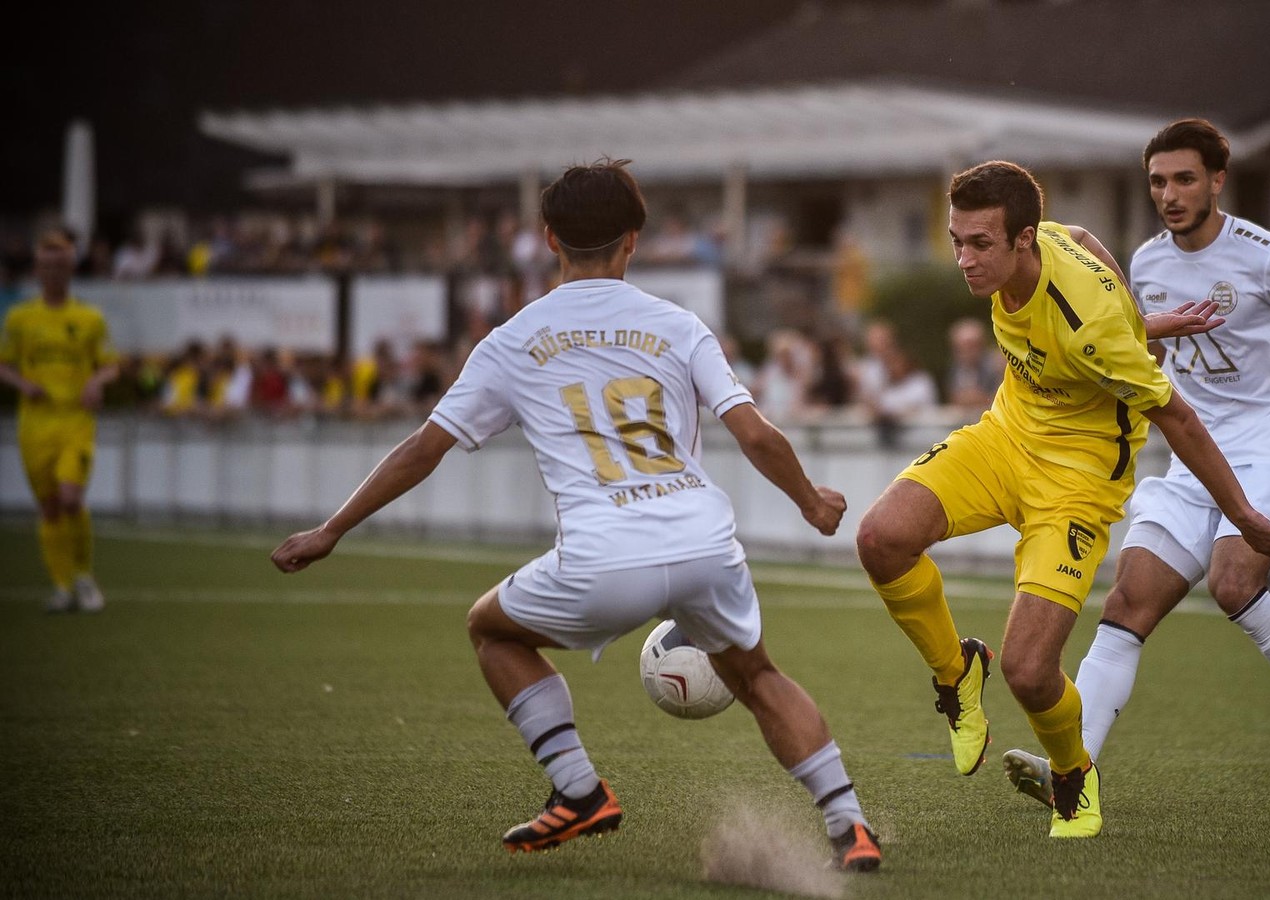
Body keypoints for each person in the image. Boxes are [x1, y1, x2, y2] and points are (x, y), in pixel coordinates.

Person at [270, 160, 882, 872]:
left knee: (490, 628)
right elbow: (754, 432)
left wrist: (332, 530)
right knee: (759, 678)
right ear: (634, 240)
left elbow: (423, 449)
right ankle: (850, 826)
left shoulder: (512, 340)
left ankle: (579, 790)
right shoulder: (678, 326)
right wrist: (810, 500)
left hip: (603, 557)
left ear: (549, 238)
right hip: (703, 543)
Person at [854, 159, 1270, 840]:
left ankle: (1073, 773)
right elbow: (1084, 237)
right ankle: (957, 673)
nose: (964, 260)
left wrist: (1240, 515)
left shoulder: (1089, 328)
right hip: (1005, 438)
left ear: (1022, 239)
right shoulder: (1051, 241)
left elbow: (1179, 419)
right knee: (880, 538)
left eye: (980, 244)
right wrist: (1139, 319)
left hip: (1077, 484)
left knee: (1030, 673)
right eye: (957, 241)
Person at [997, 118, 1270, 821]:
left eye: (1184, 179)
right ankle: (1074, 771)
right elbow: (1131, 352)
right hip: (1195, 452)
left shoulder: (1267, 258)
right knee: (1126, 603)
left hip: (1269, 444)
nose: (1169, 194)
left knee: (1233, 583)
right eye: (1157, 181)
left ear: (1216, 181)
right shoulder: (1145, 265)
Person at [0, 228, 119, 612]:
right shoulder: (20, 318)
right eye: (47, 266)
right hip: (34, 425)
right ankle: (62, 586)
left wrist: (96, 383)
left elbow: (110, 366)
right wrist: (23, 384)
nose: (53, 273)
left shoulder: (89, 318)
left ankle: (83, 576)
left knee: (70, 498)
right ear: (37, 270)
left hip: (75, 421)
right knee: (50, 506)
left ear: (70, 270)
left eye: (60, 266)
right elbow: (3, 364)